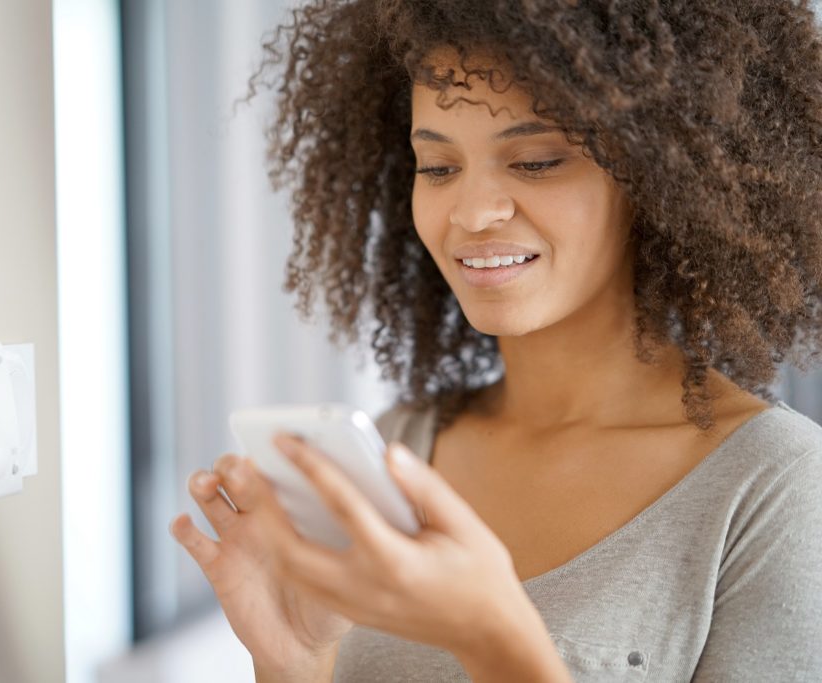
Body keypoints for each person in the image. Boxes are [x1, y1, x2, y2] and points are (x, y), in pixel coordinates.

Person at [169, 1, 822, 680]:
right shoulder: (397, 452)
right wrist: (294, 659)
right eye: (439, 167)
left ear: (662, 177)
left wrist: (494, 635)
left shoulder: (776, 489)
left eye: (537, 161)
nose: (474, 213)